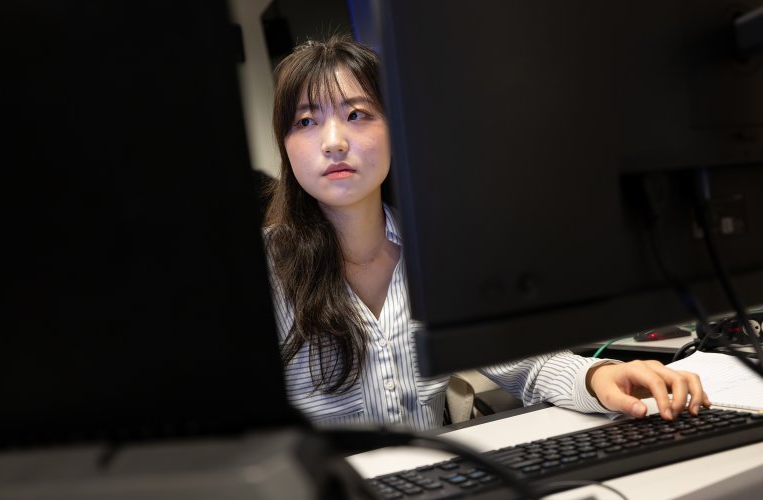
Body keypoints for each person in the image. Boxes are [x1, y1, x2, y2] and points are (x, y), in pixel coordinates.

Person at [261, 33, 710, 432]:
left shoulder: (439, 252)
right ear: (285, 146)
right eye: (306, 121)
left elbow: (525, 364)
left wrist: (597, 377)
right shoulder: (263, 271)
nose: (334, 140)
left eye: (358, 114)